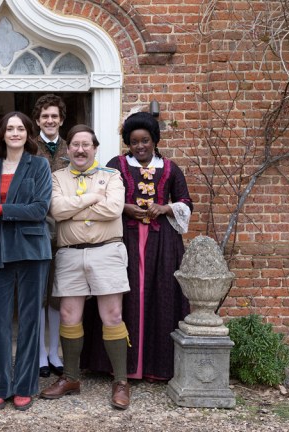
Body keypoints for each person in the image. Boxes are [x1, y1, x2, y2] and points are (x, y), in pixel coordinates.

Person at [39, 124, 131, 410]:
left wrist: (74, 208)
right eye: (75, 145)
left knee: (112, 315)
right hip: (69, 254)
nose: (80, 149)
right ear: (68, 149)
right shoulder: (56, 177)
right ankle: (71, 377)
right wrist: (92, 198)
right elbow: (56, 210)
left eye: (86, 145)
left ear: (94, 148)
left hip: (107, 250)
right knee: (68, 315)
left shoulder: (112, 176)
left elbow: (113, 209)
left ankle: (121, 381)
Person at [97, 111, 192, 381]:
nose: (140, 146)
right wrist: (124, 207)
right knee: (122, 299)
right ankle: (119, 366)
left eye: (145, 140)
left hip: (162, 245)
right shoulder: (116, 164)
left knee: (159, 296)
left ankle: (155, 365)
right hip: (124, 240)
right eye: (134, 141)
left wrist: (164, 207)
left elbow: (186, 202)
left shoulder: (171, 169)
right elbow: (102, 196)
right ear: (128, 142)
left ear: (155, 140)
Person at [0, 112, 52, 411]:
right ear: (2, 134)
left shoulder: (40, 165)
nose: (15, 133)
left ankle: (26, 385)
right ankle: (0, 384)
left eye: (20, 128)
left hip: (32, 249)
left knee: (30, 321)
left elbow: (39, 208)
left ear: (28, 133)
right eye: (10, 128)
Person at [31, 94, 68, 377]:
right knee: (40, 293)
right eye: (45, 116)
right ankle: (41, 353)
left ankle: (55, 351)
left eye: (54, 116)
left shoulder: (73, 148)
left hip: (66, 231)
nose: (50, 120)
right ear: (38, 120)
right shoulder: (31, 149)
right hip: (39, 229)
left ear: (61, 120)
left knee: (58, 294)